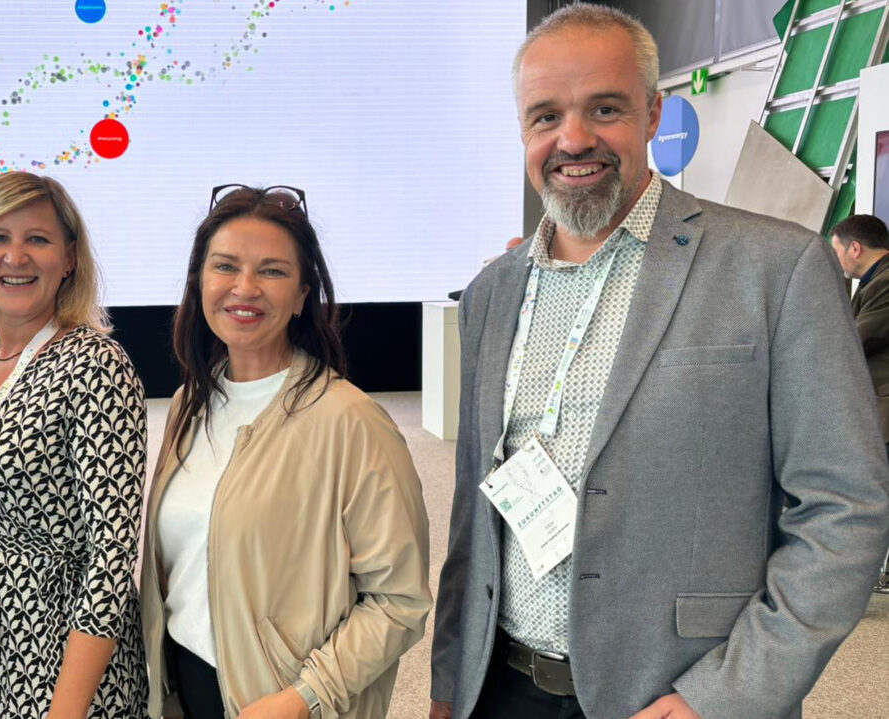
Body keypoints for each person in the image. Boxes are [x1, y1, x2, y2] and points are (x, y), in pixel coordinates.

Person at [430, 6, 889, 719]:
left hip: (675, 693)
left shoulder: (775, 267)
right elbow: (472, 513)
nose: (573, 139)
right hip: (501, 688)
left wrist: (723, 696)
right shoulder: (494, 291)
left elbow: (845, 508)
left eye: (604, 108)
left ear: (653, 114)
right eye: (545, 116)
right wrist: (448, 683)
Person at [139, 185, 433, 719]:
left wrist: (303, 698)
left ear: (302, 295)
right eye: (225, 266)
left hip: (285, 704)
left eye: (272, 271)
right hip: (187, 686)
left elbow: (400, 600)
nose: (244, 288)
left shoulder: (351, 422)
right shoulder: (189, 403)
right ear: (199, 282)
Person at [0, 171, 147, 718]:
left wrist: (66, 710)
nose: (15, 256)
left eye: (37, 239)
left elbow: (112, 558)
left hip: (61, 658)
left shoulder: (97, 365)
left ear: (69, 257)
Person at [829, 213, 889, 593]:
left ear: (855, 247)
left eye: (837, 253)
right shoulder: (874, 283)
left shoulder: (886, 283)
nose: (837, 263)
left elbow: (854, 339)